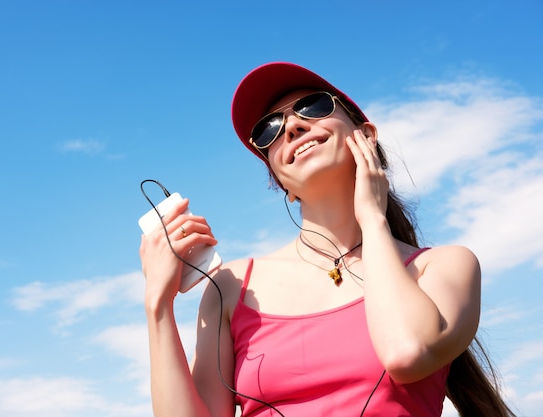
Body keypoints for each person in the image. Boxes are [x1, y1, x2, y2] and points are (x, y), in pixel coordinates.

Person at [139, 62, 515, 417]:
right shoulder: (232, 287)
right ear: (280, 182)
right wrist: (159, 306)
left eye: (312, 106)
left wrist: (371, 218)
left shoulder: (443, 266)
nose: (290, 127)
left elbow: (406, 352)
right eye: (268, 129)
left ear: (366, 136)